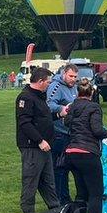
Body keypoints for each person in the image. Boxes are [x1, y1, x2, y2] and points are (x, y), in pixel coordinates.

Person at [63, 78, 107, 213]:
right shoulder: (94, 107)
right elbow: (96, 130)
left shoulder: (73, 106)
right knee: (96, 194)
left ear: (78, 92)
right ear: (92, 93)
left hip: (72, 153)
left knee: (81, 193)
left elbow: (67, 122)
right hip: (88, 153)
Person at [15, 68, 60, 213]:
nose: (49, 84)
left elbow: (43, 119)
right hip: (33, 147)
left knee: (48, 181)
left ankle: (55, 211)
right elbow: (25, 123)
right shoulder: (26, 98)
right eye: (48, 82)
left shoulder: (40, 97)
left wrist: (59, 114)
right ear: (40, 81)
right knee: (31, 181)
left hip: (45, 147)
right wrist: (39, 140)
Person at [46, 64, 78, 204]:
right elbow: (48, 104)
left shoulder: (74, 87)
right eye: (71, 76)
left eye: (75, 77)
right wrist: (62, 108)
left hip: (70, 132)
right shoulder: (56, 86)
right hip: (59, 133)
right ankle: (60, 198)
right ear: (64, 74)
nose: (73, 79)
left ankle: (66, 196)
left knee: (68, 166)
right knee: (59, 167)